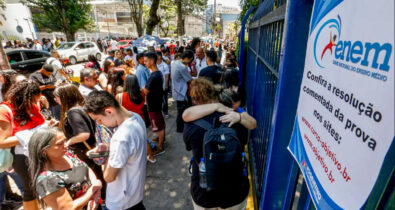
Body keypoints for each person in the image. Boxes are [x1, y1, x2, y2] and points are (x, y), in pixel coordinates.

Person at [183, 78, 250, 210]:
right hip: (235, 192)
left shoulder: (191, 125)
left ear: (195, 99)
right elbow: (244, 142)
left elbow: (189, 147)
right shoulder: (235, 118)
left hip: (204, 191)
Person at [84, 91, 147, 210]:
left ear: (109, 111)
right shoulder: (136, 117)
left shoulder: (120, 137)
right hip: (134, 195)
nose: (99, 124)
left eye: (99, 119)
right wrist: (108, 147)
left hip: (120, 202)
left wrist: (107, 154)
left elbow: (109, 177)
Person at [28, 127, 102, 209]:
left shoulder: (67, 154)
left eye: (65, 140)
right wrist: (93, 190)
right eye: (60, 143)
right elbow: (68, 208)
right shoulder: (47, 180)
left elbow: (85, 167)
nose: (66, 145)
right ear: (44, 151)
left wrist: (96, 193)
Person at [54, 83, 106, 200]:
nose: (56, 100)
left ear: (65, 97)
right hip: (92, 148)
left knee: (93, 177)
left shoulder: (73, 112)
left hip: (84, 152)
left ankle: (101, 199)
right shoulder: (82, 108)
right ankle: (104, 198)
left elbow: (84, 134)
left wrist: (69, 141)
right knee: (98, 175)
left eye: (57, 97)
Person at [0, 80, 46, 210]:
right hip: (20, 156)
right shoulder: (4, 111)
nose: (34, 104)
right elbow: (2, 142)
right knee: (30, 190)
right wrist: (29, 135)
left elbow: (39, 123)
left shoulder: (30, 106)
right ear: (24, 97)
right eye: (33, 100)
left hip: (37, 151)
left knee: (41, 187)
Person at [116, 74, 156, 163]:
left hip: (127, 123)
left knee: (130, 141)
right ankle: (151, 157)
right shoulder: (141, 93)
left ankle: (134, 160)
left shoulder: (120, 96)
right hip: (140, 120)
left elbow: (117, 110)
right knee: (144, 139)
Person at [142, 52, 166, 155]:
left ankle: (160, 147)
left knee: (159, 126)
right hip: (157, 102)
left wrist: (141, 87)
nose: (145, 63)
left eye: (146, 61)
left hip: (153, 104)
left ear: (152, 61)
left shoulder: (154, 76)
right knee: (160, 123)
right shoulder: (157, 73)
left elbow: (146, 91)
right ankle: (161, 138)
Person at [171, 50, 194, 133]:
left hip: (177, 89)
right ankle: (180, 128)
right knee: (181, 111)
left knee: (181, 110)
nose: (190, 62)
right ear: (187, 58)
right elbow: (189, 79)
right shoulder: (182, 67)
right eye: (190, 60)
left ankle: (181, 127)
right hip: (181, 91)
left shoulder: (175, 62)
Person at [156, 51, 170, 118]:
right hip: (156, 87)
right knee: (158, 101)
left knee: (164, 100)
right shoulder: (154, 65)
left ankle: (165, 112)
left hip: (163, 86)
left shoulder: (165, 65)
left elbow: (167, 77)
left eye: (157, 56)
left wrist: (165, 86)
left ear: (160, 56)